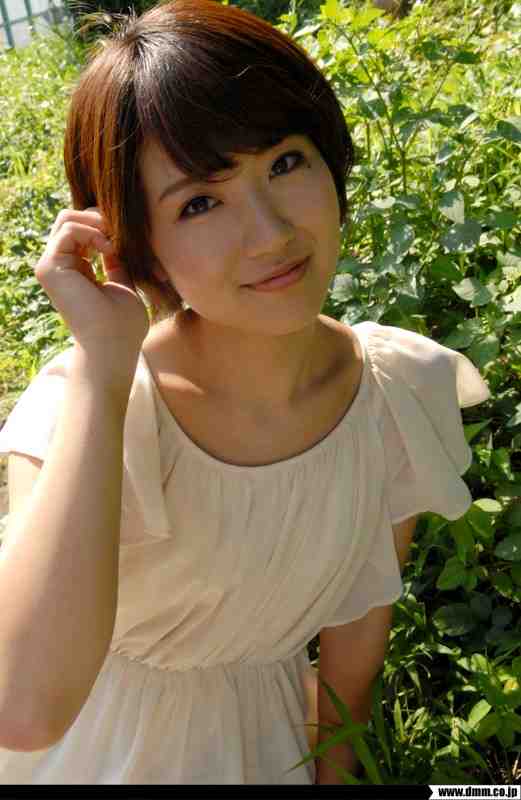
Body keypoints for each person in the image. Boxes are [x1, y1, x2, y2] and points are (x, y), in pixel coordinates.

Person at [0, 0, 490, 785]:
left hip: (264, 751)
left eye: (285, 163)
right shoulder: (89, 408)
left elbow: (353, 655)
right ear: (134, 243)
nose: (270, 233)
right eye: (199, 202)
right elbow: (22, 709)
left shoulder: (395, 393)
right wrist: (102, 364)